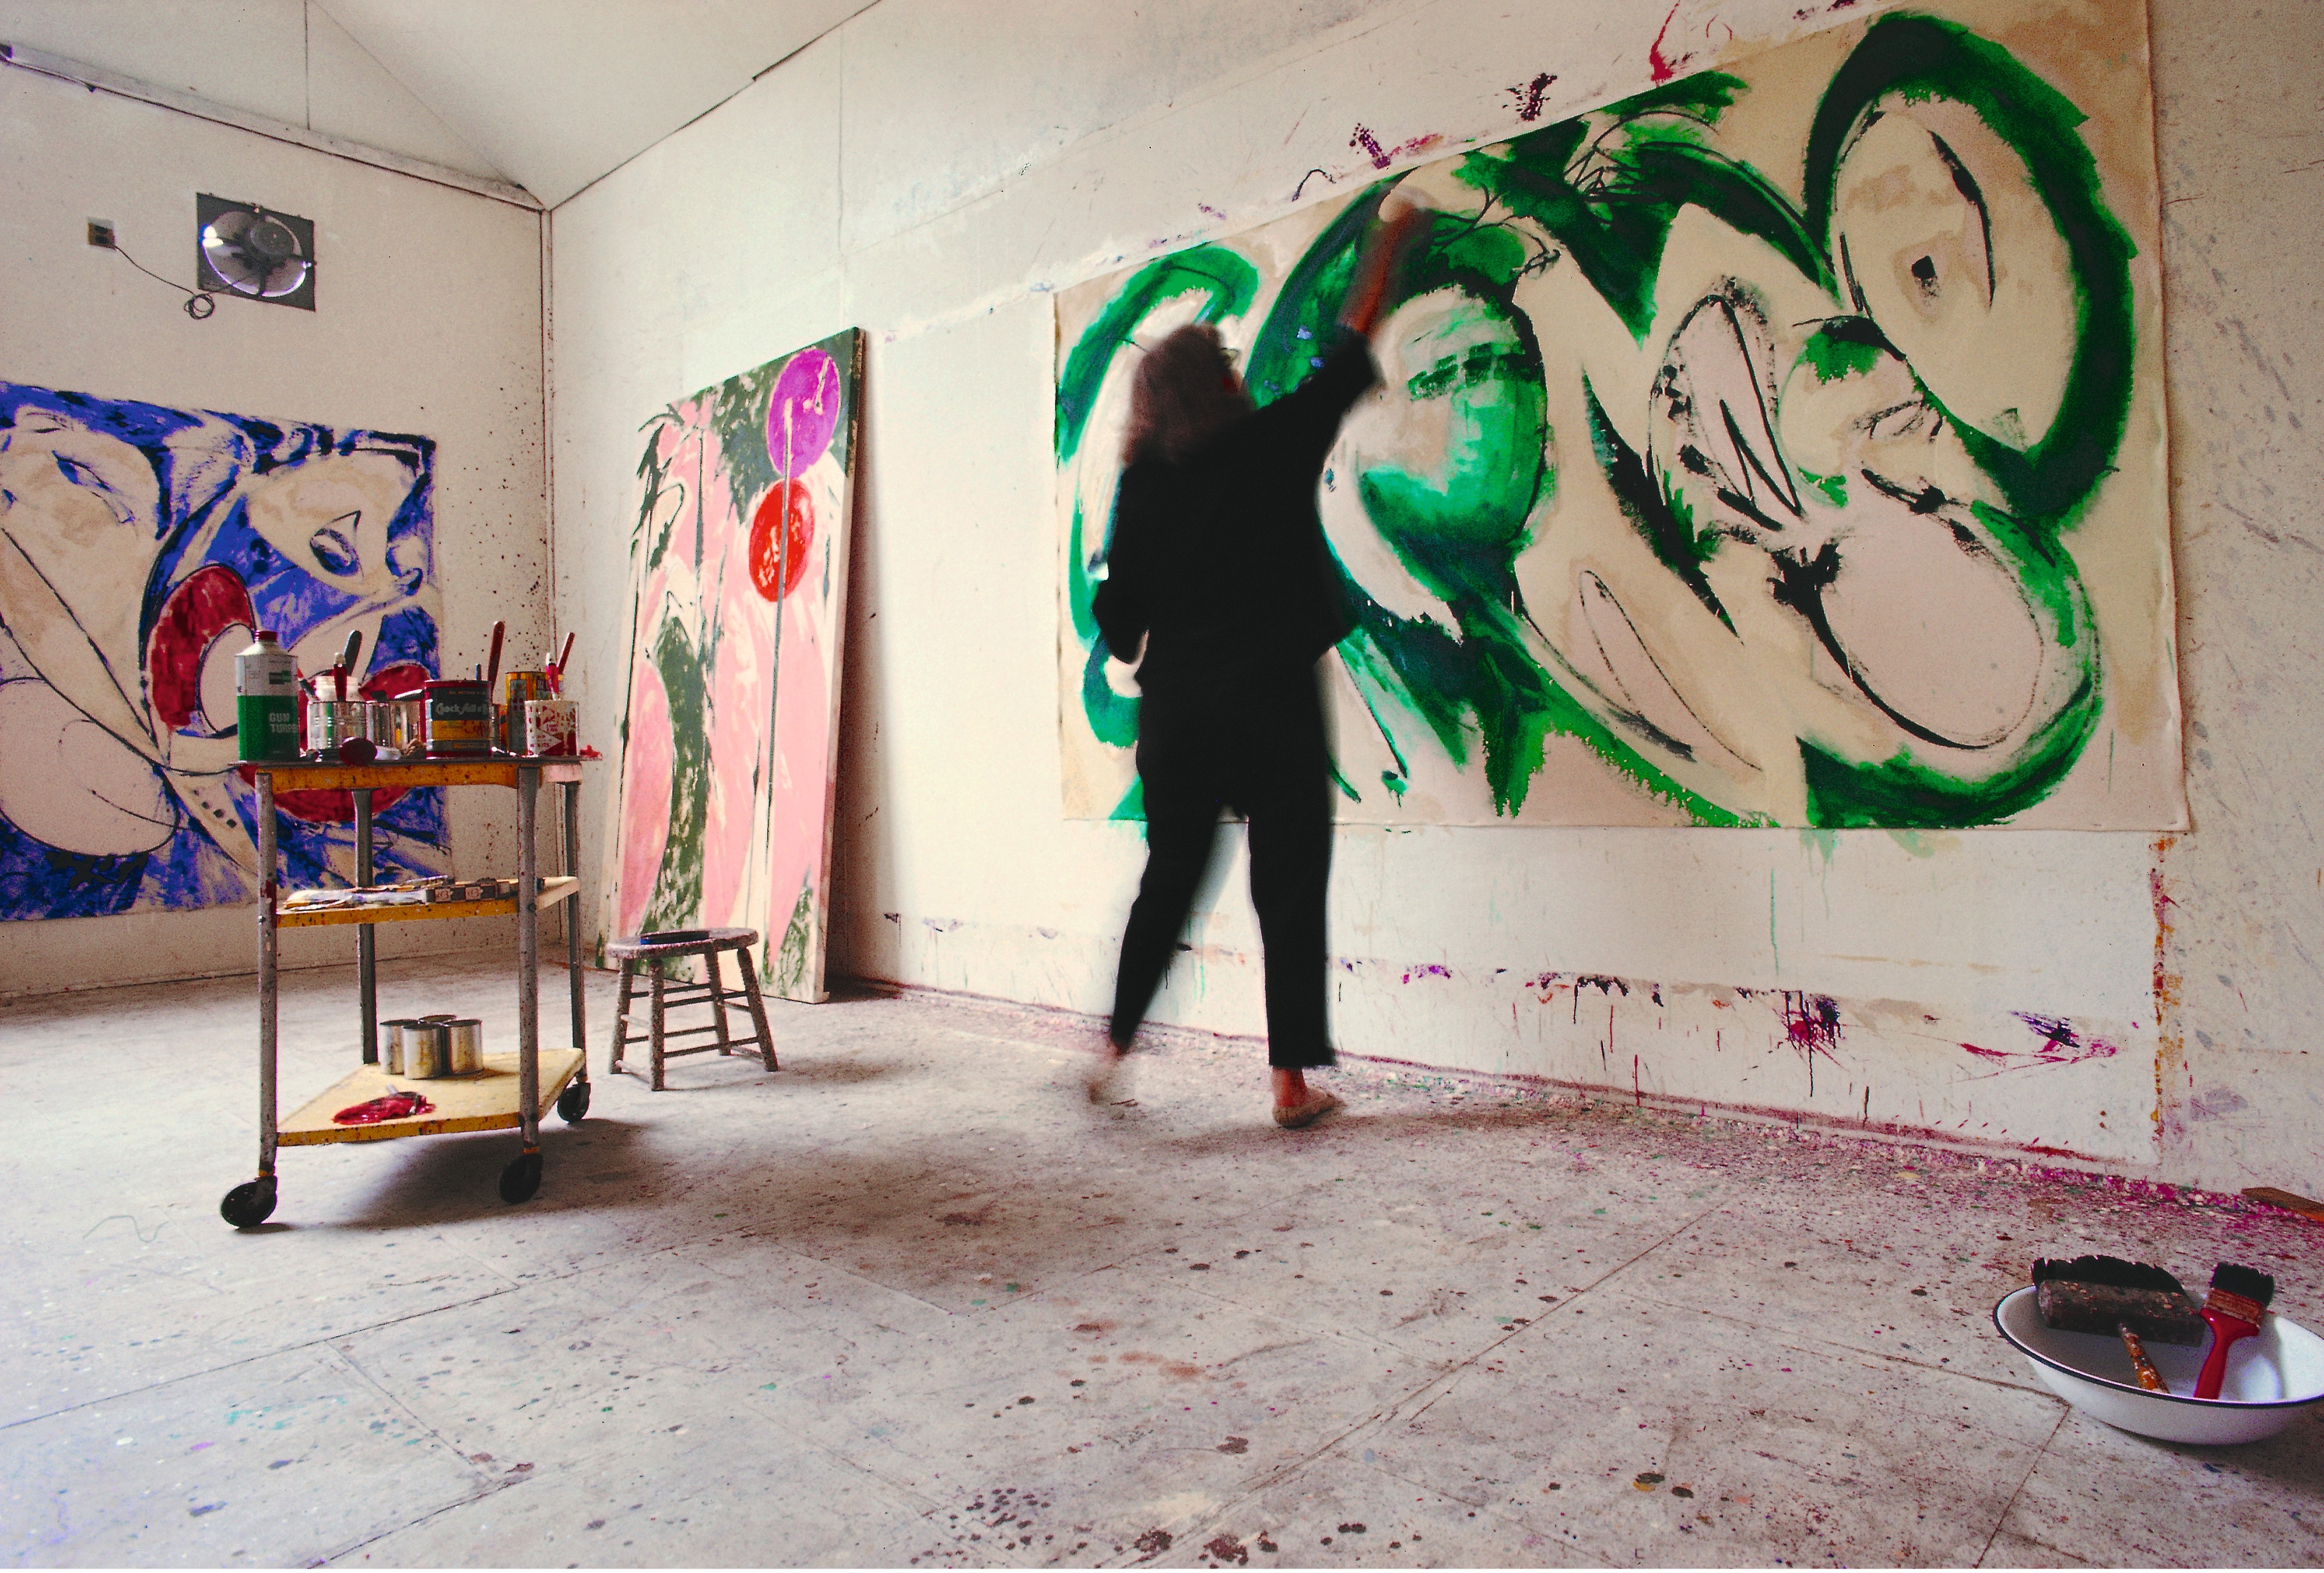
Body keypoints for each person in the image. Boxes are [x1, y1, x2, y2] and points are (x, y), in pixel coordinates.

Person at [1087, 201, 1425, 1128]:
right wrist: (1387, 245)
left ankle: (1112, 1051)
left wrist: (1142, 633)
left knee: (1169, 877)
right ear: (1218, 385)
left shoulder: (1142, 484)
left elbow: (1115, 617)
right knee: (1287, 880)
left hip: (1181, 713)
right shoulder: (1272, 445)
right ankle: (1286, 1085)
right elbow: (1347, 355)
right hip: (1271, 698)